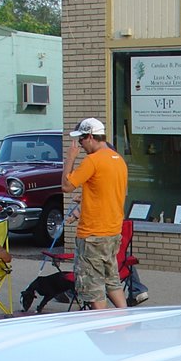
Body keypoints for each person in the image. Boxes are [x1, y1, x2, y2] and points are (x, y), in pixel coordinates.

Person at [61, 117, 129, 310]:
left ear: (90, 137)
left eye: (81, 140)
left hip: (92, 234)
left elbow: (66, 186)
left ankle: (103, 327)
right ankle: (124, 318)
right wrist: (86, 199)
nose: (80, 145)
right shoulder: (118, 160)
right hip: (112, 231)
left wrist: (71, 158)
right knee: (111, 279)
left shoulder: (93, 161)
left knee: (93, 287)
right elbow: (106, 192)